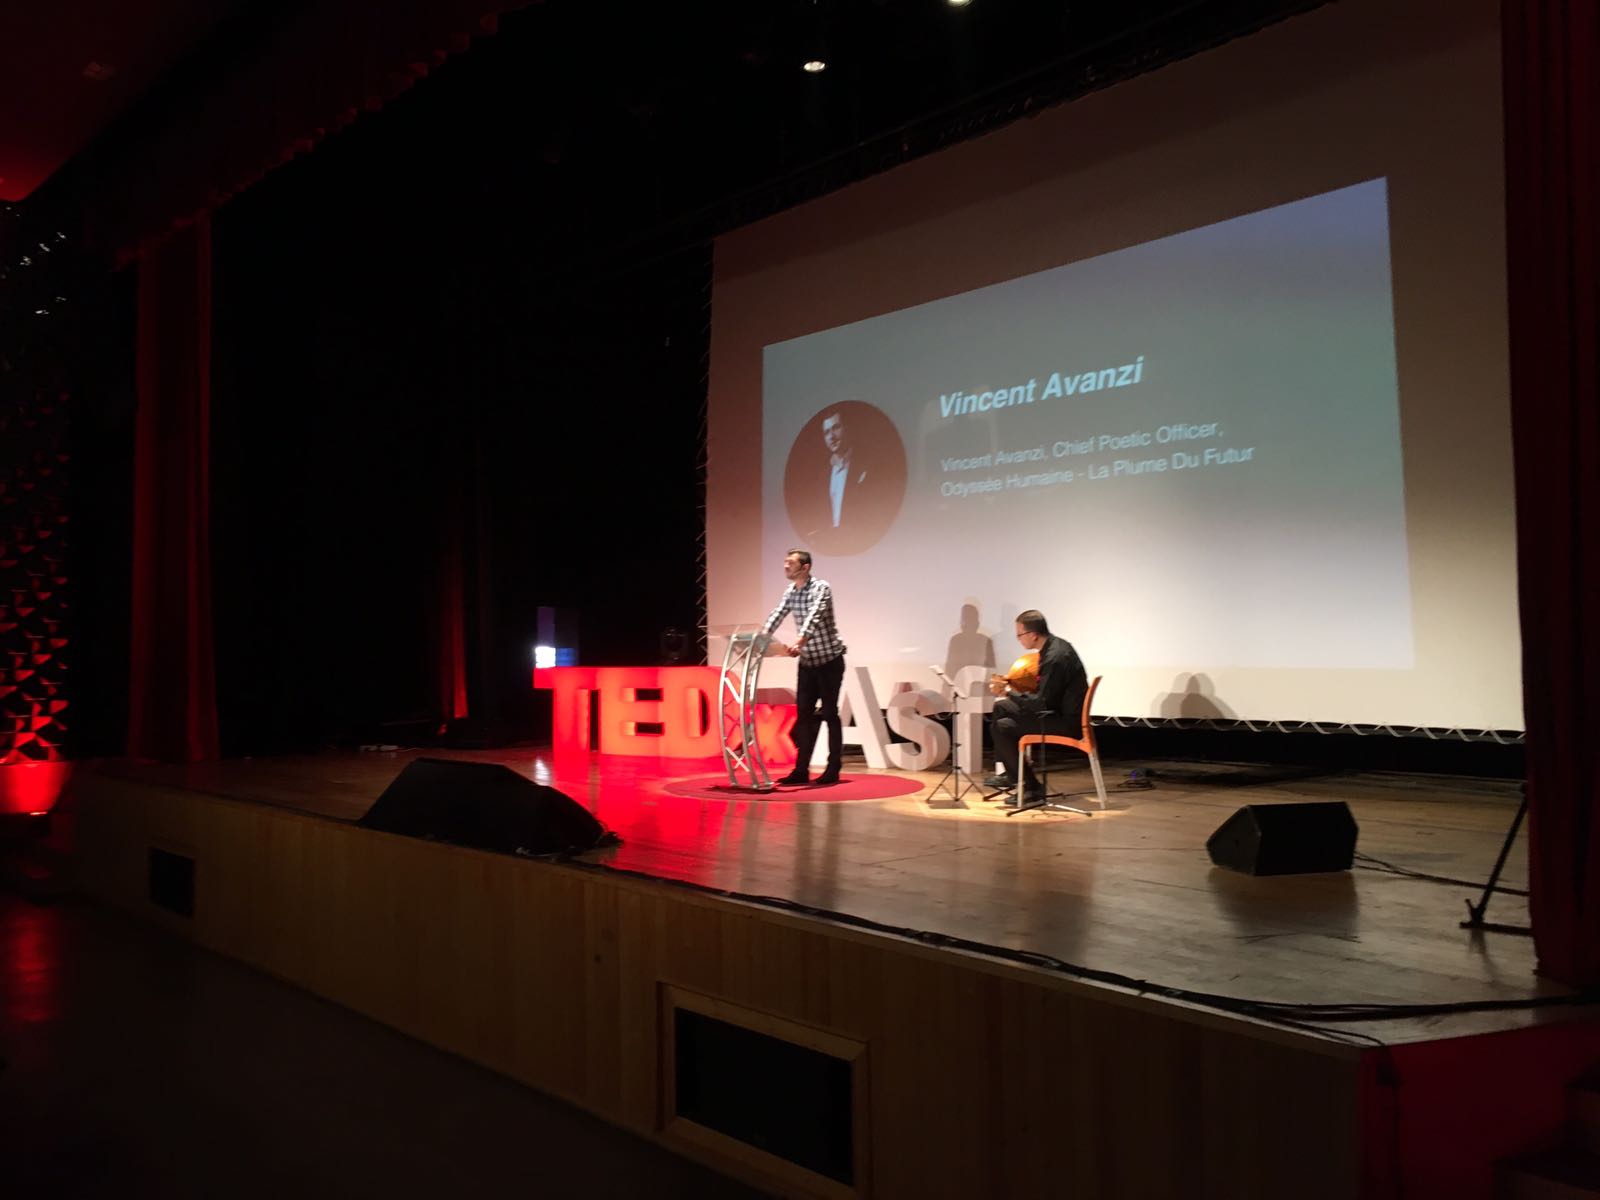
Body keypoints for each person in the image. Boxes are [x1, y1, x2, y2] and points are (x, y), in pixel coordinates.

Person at [984, 610, 1088, 807]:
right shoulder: (1054, 647)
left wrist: (1007, 691)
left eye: (1019, 635)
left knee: (1002, 726)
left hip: (1065, 722)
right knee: (1001, 708)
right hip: (1057, 712)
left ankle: (1031, 787)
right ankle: (1012, 773)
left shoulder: (1055, 657)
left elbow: (1042, 704)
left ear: (1033, 635)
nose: (1018, 640)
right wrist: (1011, 687)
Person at [761, 548, 847, 786]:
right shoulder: (791, 591)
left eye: (791, 563)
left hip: (829, 662)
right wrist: (761, 638)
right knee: (804, 717)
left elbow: (814, 617)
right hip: (808, 663)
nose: (785, 566)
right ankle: (801, 770)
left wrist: (799, 642)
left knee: (829, 713)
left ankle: (833, 768)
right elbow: (777, 614)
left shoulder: (821, 588)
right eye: (785, 562)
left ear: (805, 567)